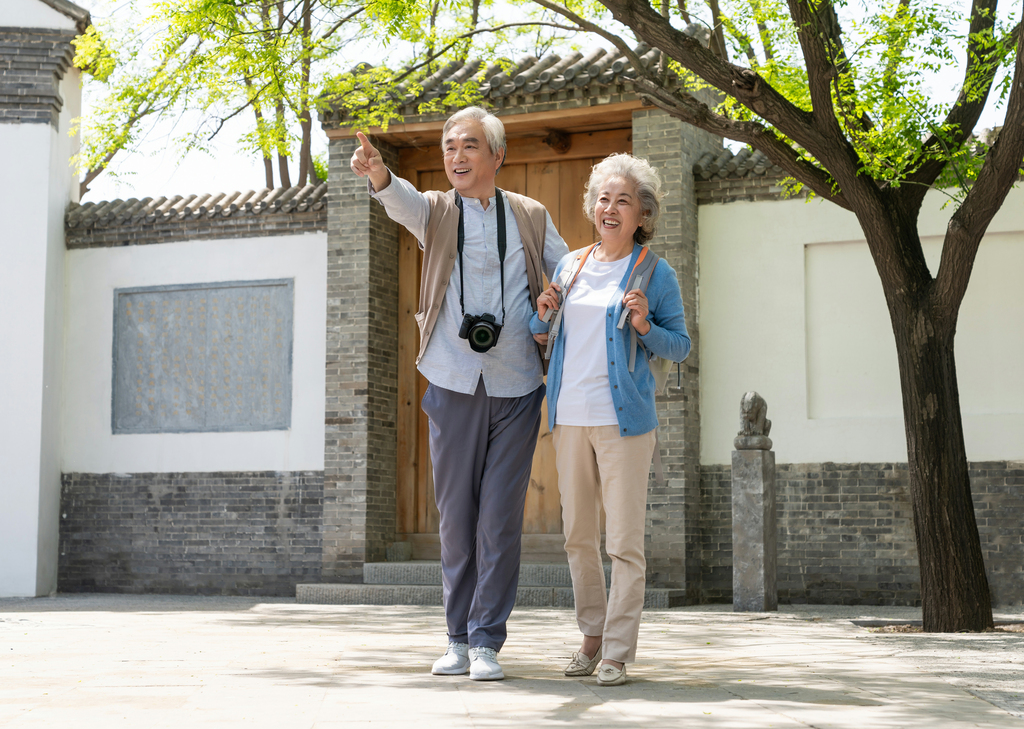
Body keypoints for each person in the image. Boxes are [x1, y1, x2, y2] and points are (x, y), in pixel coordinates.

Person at [350, 107, 568, 681]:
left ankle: (487, 640)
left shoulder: (531, 215)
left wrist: (564, 295)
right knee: (456, 518)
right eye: (449, 148)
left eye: (470, 146)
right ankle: (455, 637)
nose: (457, 157)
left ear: (497, 155)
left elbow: (568, 270)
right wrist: (377, 175)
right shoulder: (437, 211)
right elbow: (400, 201)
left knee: (498, 520)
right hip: (451, 380)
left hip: (518, 383)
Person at [530, 153, 690, 686]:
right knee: (578, 536)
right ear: (592, 207)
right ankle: (591, 638)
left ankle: (618, 651)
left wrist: (645, 325)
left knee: (623, 542)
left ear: (642, 213)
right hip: (569, 417)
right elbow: (542, 330)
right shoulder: (571, 265)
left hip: (624, 423)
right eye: (603, 198)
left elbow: (680, 344)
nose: (611, 208)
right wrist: (543, 310)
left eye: (623, 200)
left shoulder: (654, 270)